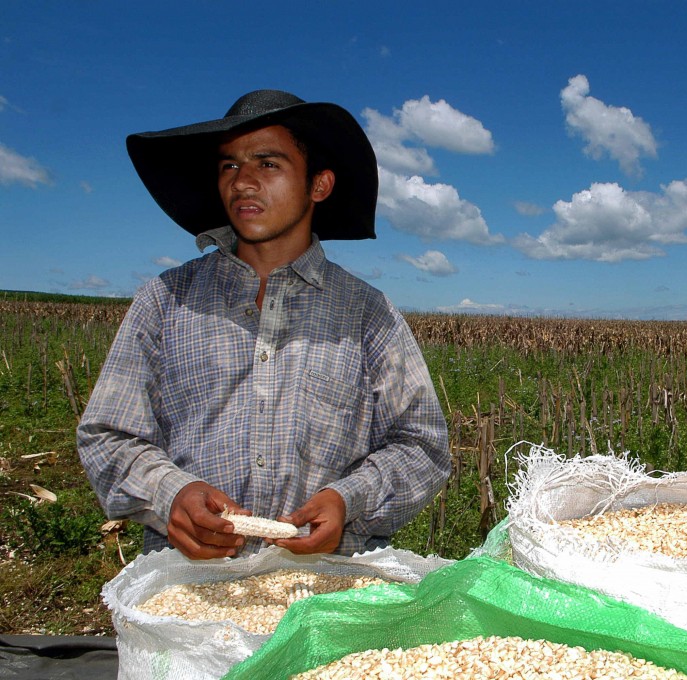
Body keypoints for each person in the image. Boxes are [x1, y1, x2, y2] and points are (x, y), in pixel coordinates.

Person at [77, 90, 451, 560]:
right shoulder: (166, 300)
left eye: (267, 164)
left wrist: (347, 500)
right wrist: (170, 492)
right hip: (192, 589)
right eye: (229, 166)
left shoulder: (366, 313)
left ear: (319, 185)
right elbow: (106, 435)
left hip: (326, 591)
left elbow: (423, 446)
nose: (243, 182)